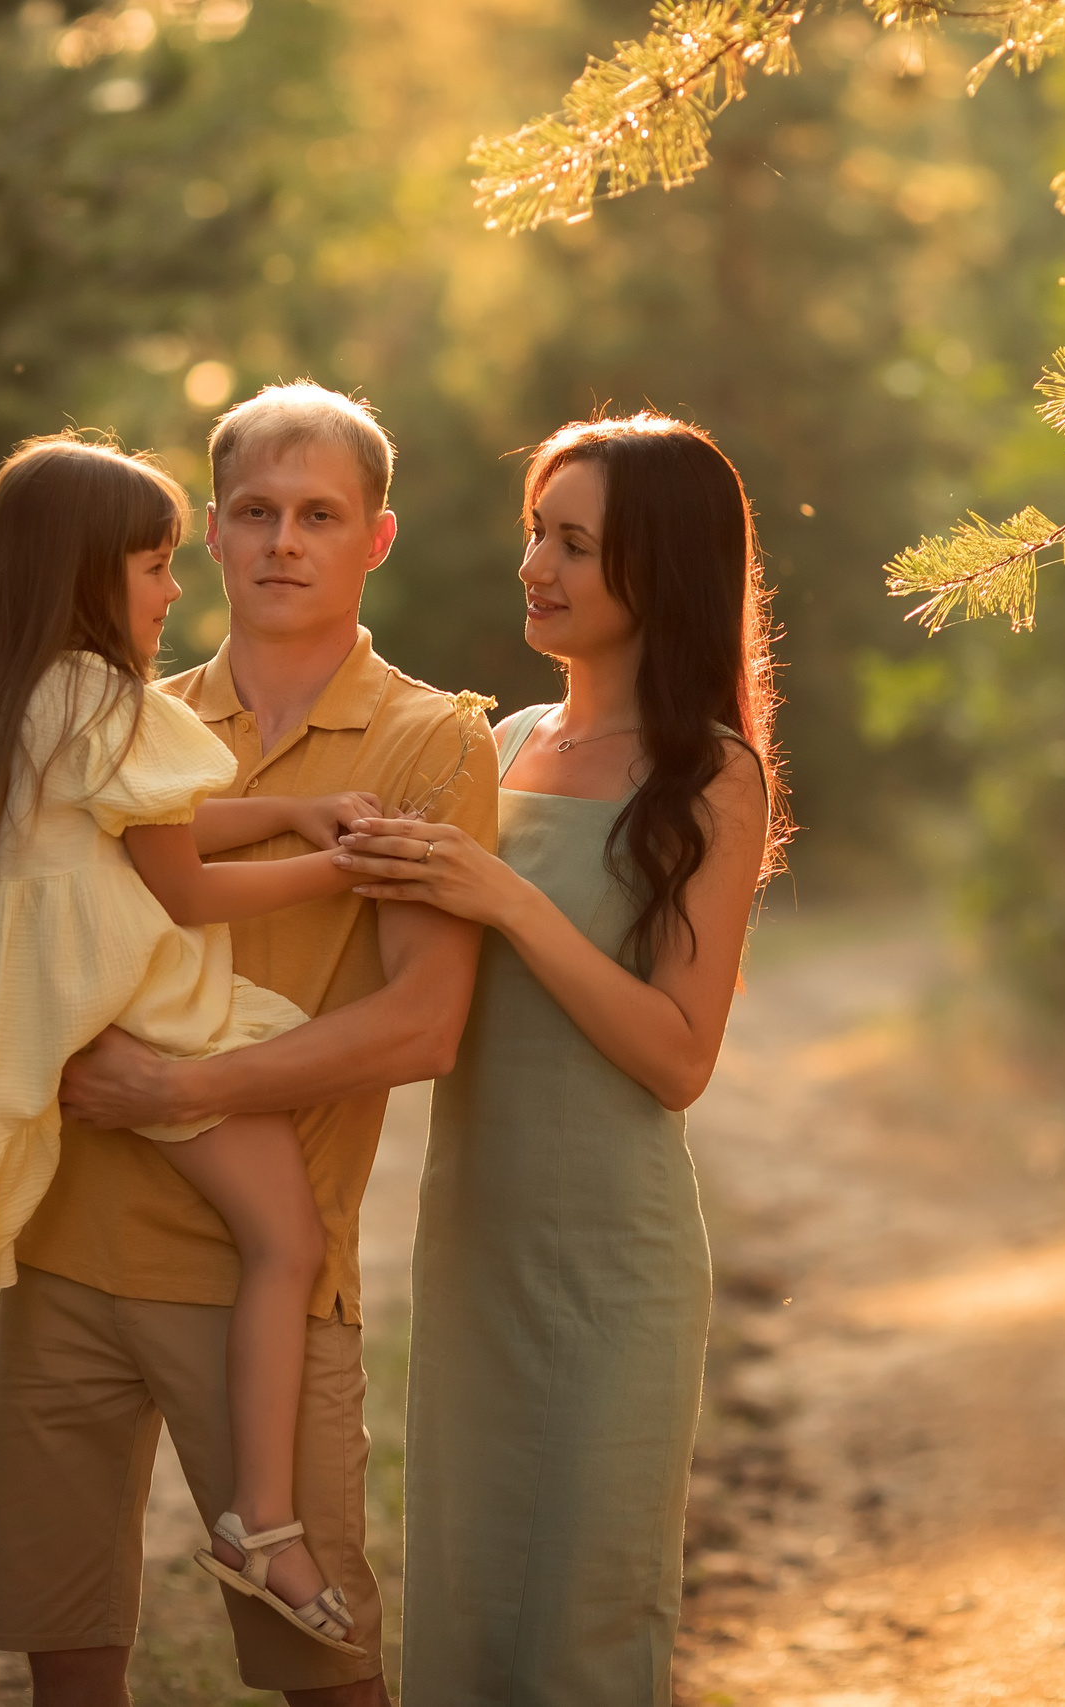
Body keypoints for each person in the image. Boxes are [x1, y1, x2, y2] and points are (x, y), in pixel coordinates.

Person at [0, 431, 385, 1653]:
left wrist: (291, 808)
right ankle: (262, 1522)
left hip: (9, 1008)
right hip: (132, 1012)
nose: (174, 591)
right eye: (154, 566)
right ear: (91, 577)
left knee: (1, 1143)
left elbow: (141, 830)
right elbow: (180, 885)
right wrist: (335, 866)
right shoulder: (114, 702)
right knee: (286, 1241)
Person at [13, 384, 500, 1706]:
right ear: (211, 532)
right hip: (64, 1247)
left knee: (326, 1670)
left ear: (377, 538)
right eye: (256, 512)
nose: (285, 541)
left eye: (320, 515)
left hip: (263, 1274)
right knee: (67, 1669)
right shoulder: (118, 721)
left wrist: (177, 1086)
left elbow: (423, 1021)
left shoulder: (429, 740)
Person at [333, 413, 788, 1705]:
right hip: (475, 1240)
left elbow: (678, 1057)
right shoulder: (496, 746)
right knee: (467, 1602)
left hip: (613, 1260)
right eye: (537, 531)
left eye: (575, 544)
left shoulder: (712, 777)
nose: (535, 564)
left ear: (661, 567)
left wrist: (509, 900)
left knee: (587, 1616)